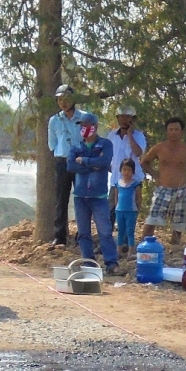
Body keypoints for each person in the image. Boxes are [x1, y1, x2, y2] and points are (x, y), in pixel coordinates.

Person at [140, 117, 186, 246]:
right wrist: (155, 176)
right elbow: (145, 162)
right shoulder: (159, 147)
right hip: (163, 188)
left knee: (179, 223)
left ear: (182, 132)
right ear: (166, 131)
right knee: (153, 218)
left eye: (176, 129)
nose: (173, 132)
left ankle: (174, 249)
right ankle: (144, 246)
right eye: (170, 129)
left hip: (181, 189)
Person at [68, 112, 122, 274]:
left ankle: (111, 263)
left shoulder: (105, 144)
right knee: (83, 232)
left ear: (95, 127)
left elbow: (105, 162)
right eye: (82, 126)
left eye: (87, 126)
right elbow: (71, 166)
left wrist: (83, 160)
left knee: (104, 231)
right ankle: (89, 264)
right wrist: (93, 164)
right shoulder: (76, 147)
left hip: (98, 197)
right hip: (80, 196)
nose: (84, 129)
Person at [47, 84, 88, 247]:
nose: (63, 103)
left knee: (81, 198)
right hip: (62, 162)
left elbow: (89, 140)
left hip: (80, 162)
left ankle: (82, 234)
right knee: (61, 199)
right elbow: (52, 143)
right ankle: (60, 236)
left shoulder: (84, 118)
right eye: (60, 100)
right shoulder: (54, 120)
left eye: (66, 99)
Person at [106, 105, 147, 222]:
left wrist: (129, 135)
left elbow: (138, 152)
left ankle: (126, 238)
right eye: (121, 117)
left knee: (129, 212)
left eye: (127, 117)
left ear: (132, 119)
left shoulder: (139, 136)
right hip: (115, 180)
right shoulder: (112, 135)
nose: (124, 120)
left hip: (133, 181)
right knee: (110, 211)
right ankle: (108, 238)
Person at [113, 158, 140, 255]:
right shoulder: (118, 184)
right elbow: (116, 197)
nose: (126, 172)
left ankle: (130, 251)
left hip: (131, 211)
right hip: (120, 210)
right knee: (120, 231)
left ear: (133, 171)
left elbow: (138, 198)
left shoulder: (135, 184)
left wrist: (138, 210)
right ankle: (118, 251)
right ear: (121, 170)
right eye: (124, 169)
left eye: (129, 170)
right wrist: (116, 208)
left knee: (130, 231)